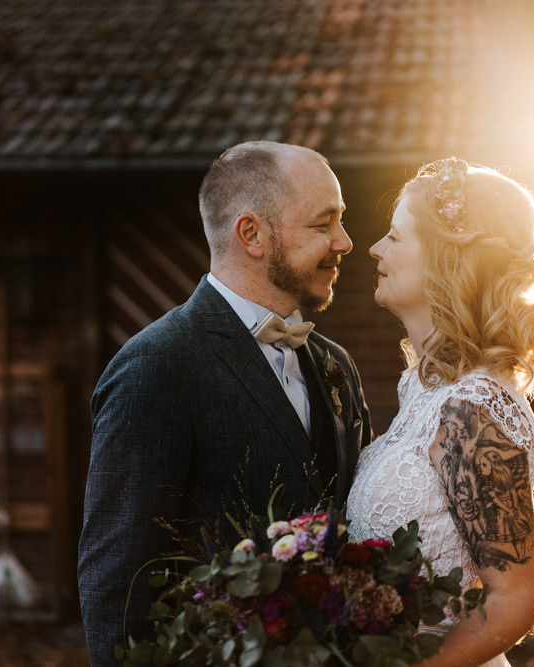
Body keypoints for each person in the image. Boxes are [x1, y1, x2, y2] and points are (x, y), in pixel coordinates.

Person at [78, 141, 373, 665]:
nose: (344, 242)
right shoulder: (156, 367)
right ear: (252, 235)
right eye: (323, 224)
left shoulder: (336, 366)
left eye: (341, 221)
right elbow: (118, 581)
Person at [346, 157, 534, 666]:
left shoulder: (474, 410)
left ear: (447, 260)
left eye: (396, 237)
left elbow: (511, 600)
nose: (374, 248)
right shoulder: (426, 391)